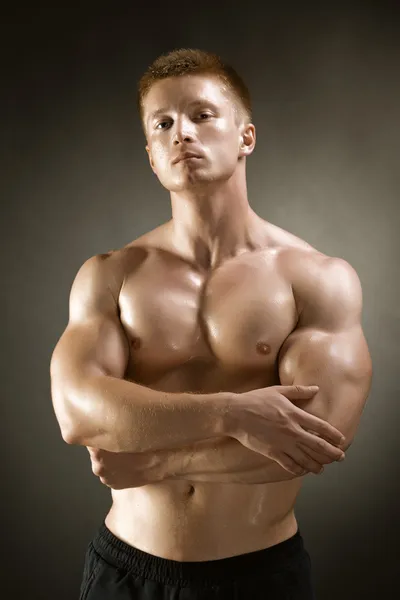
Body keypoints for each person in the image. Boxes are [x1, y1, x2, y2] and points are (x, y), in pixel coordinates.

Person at [50, 48, 373, 599]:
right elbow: (77, 411)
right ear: (152, 155)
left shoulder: (317, 279)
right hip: (125, 570)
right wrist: (233, 413)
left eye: (202, 115)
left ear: (245, 136)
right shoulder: (110, 275)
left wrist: (151, 457)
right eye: (164, 123)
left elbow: (318, 437)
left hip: (257, 574)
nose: (182, 133)